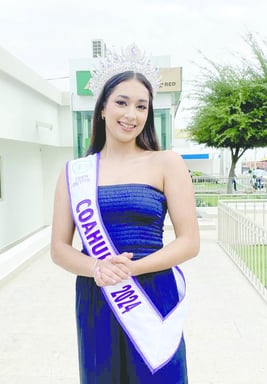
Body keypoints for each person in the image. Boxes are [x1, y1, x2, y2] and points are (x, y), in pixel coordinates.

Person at [50, 46, 200, 384]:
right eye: (121, 102)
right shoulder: (75, 173)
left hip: (152, 292)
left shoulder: (167, 163)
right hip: (98, 295)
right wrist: (97, 267)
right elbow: (59, 248)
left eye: (141, 105)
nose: (131, 113)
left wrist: (133, 268)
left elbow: (190, 242)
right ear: (102, 107)